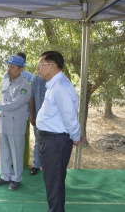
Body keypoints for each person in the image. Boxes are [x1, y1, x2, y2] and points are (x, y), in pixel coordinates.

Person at [36, 51, 82, 212]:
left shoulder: (61, 87)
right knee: (53, 180)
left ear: (52, 65)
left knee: (54, 181)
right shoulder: (54, 85)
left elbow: (69, 117)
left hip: (55, 141)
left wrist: (76, 137)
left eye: (41, 64)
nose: (38, 68)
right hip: (50, 140)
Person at [0, 55, 31, 191]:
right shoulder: (4, 82)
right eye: (8, 66)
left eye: (12, 67)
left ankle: (16, 178)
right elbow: (4, 103)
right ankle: (5, 175)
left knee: (16, 152)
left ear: (20, 69)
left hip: (16, 124)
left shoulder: (25, 86)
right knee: (4, 151)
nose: (9, 69)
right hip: (3, 122)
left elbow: (15, 104)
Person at [3, 52, 33, 166]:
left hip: (22, 113)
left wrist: (31, 114)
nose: (10, 68)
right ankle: (10, 163)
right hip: (7, 114)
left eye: (14, 65)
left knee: (22, 139)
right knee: (8, 140)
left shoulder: (29, 77)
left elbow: (30, 96)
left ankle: (23, 162)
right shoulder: (6, 76)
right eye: (9, 65)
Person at [29, 74, 46, 175]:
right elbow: (32, 98)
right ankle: (36, 165)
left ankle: (47, 166)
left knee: (49, 144)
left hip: (52, 120)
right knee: (38, 142)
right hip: (38, 118)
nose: (40, 67)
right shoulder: (35, 79)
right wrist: (32, 116)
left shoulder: (56, 80)